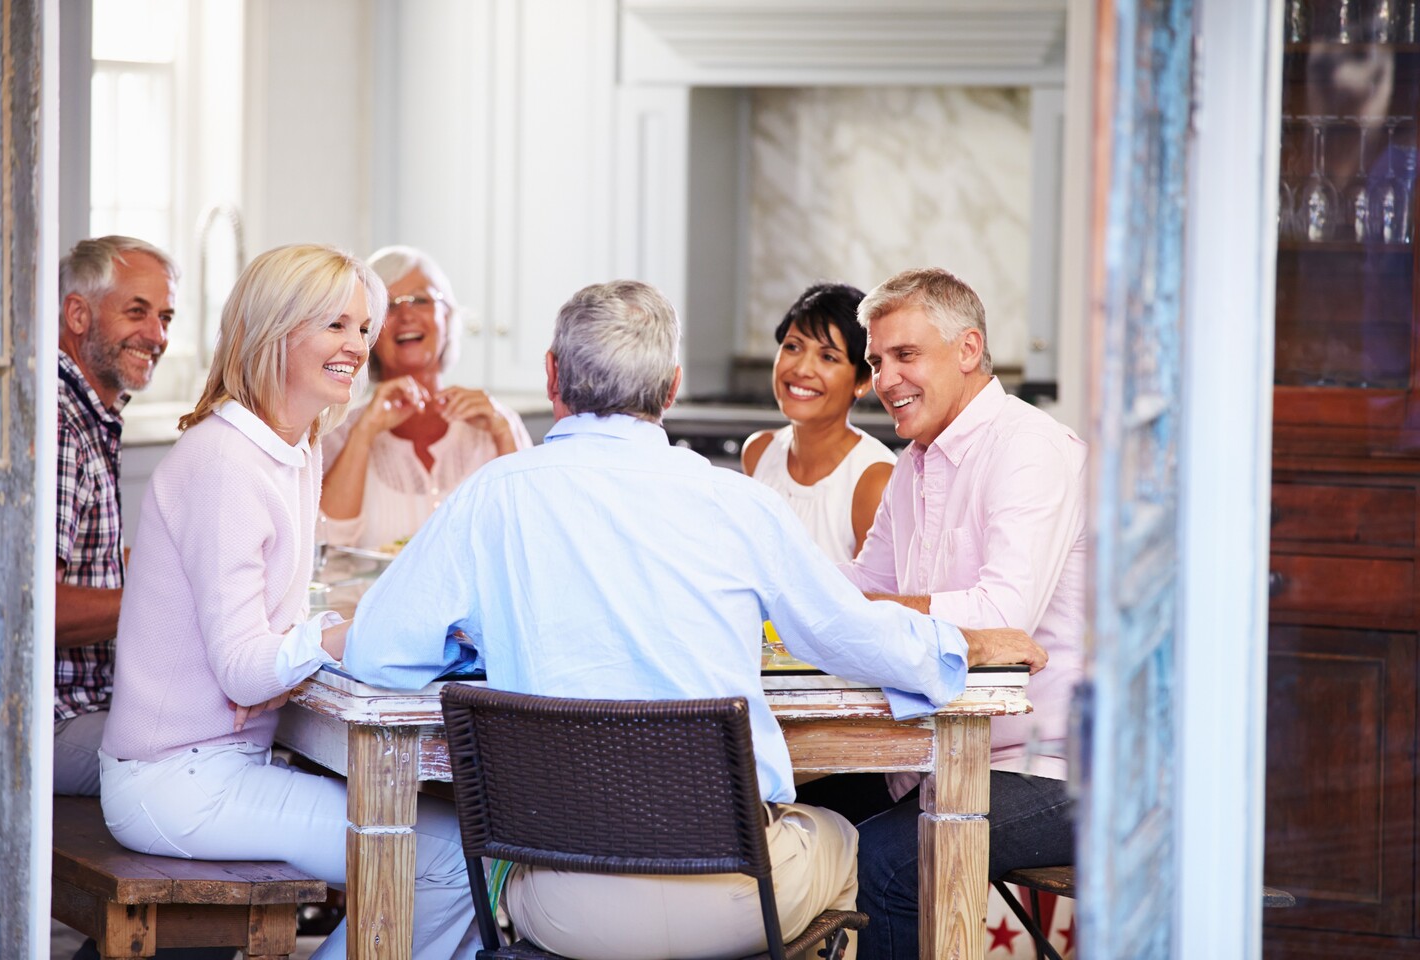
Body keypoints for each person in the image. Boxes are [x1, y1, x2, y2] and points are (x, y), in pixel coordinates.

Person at [343, 279, 1049, 960]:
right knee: (848, 838)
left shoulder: (488, 498)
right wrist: (958, 644)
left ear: (553, 375)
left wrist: (480, 654)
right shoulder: (737, 504)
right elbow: (856, 636)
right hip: (740, 900)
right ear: (673, 386)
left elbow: (376, 653)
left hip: (561, 906)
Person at [99, 244, 479, 960]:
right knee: (452, 862)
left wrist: (285, 656)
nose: (358, 346)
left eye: (362, 328)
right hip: (176, 780)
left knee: (456, 852)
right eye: (336, 325)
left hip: (222, 761)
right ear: (277, 331)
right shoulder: (227, 462)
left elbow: (259, 649)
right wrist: (341, 633)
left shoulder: (294, 449)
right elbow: (246, 669)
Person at [838, 267, 1086, 960]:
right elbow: (863, 583)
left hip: (1054, 768)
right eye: (877, 361)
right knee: (794, 818)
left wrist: (856, 606)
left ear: (969, 349)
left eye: (904, 356)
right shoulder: (913, 463)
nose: (884, 380)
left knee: (884, 861)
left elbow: (1000, 617)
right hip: (937, 757)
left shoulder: (1028, 448)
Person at [54, 235, 178, 797]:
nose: (157, 336)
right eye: (138, 312)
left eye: (166, 317)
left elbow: (94, 566)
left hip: (90, 703)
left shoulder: (90, 412)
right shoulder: (58, 424)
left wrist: (184, 565)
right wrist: (174, 601)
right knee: (234, 749)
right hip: (48, 721)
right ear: (78, 314)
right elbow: (34, 609)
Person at [319, 245, 530, 552]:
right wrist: (363, 435)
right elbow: (324, 544)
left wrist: (502, 434)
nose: (406, 315)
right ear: (368, 330)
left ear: (448, 317)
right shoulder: (338, 431)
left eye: (420, 300)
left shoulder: (498, 423)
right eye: (389, 306)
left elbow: (530, 536)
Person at [742, 282, 895, 562]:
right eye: (792, 347)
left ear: (863, 381)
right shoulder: (758, 451)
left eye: (827, 357)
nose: (801, 369)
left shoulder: (875, 480)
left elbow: (872, 601)